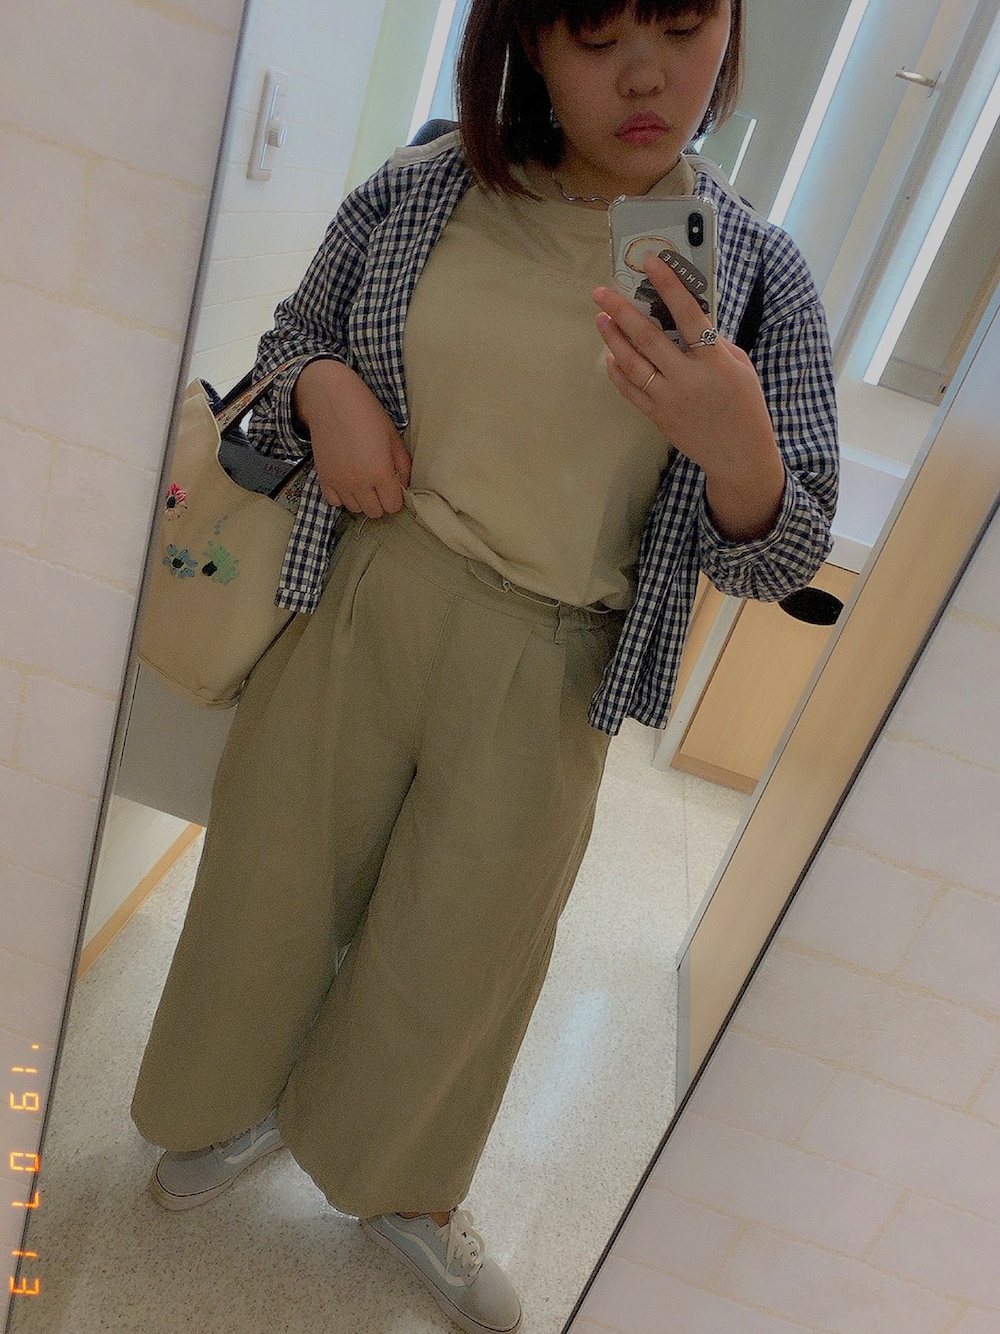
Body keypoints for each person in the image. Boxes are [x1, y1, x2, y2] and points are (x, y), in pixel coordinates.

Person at [131, 1, 838, 1331]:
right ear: (525, 42)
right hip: (366, 595)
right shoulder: (427, 183)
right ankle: (222, 1105)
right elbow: (293, 340)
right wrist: (327, 390)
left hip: (553, 660)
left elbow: (782, 553)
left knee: (462, 958)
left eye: (686, 26)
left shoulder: (760, 277)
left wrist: (740, 450)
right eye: (596, 38)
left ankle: (401, 1187)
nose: (647, 75)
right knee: (269, 886)